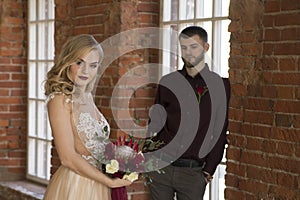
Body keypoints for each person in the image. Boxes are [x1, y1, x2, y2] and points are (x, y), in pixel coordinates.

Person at [43, 34, 131, 200]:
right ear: (67, 61)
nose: (85, 71)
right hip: (78, 185)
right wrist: (110, 182)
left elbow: (97, 145)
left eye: (93, 65)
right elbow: (67, 158)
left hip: (99, 183)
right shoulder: (59, 99)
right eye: (79, 62)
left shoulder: (87, 96)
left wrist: (123, 159)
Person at [147, 26, 231, 200]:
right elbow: (155, 123)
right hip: (161, 167)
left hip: (194, 173)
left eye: (194, 47)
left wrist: (209, 169)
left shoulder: (219, 85)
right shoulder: (168, 82)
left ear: (206, 48)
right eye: (184, 47)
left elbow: (219, 131)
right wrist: (149, 158)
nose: (188, 52)